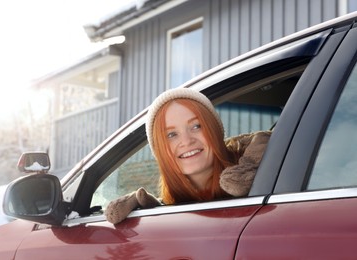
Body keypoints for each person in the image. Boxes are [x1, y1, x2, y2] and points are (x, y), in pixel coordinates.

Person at [105, 88, 271, 224]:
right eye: (171, 135)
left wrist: (255, 164)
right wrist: (150, 211)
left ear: (214, 130)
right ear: (160, 151)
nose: (186, 141)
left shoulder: (268, 158)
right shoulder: (176, 204)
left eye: (197, 126)